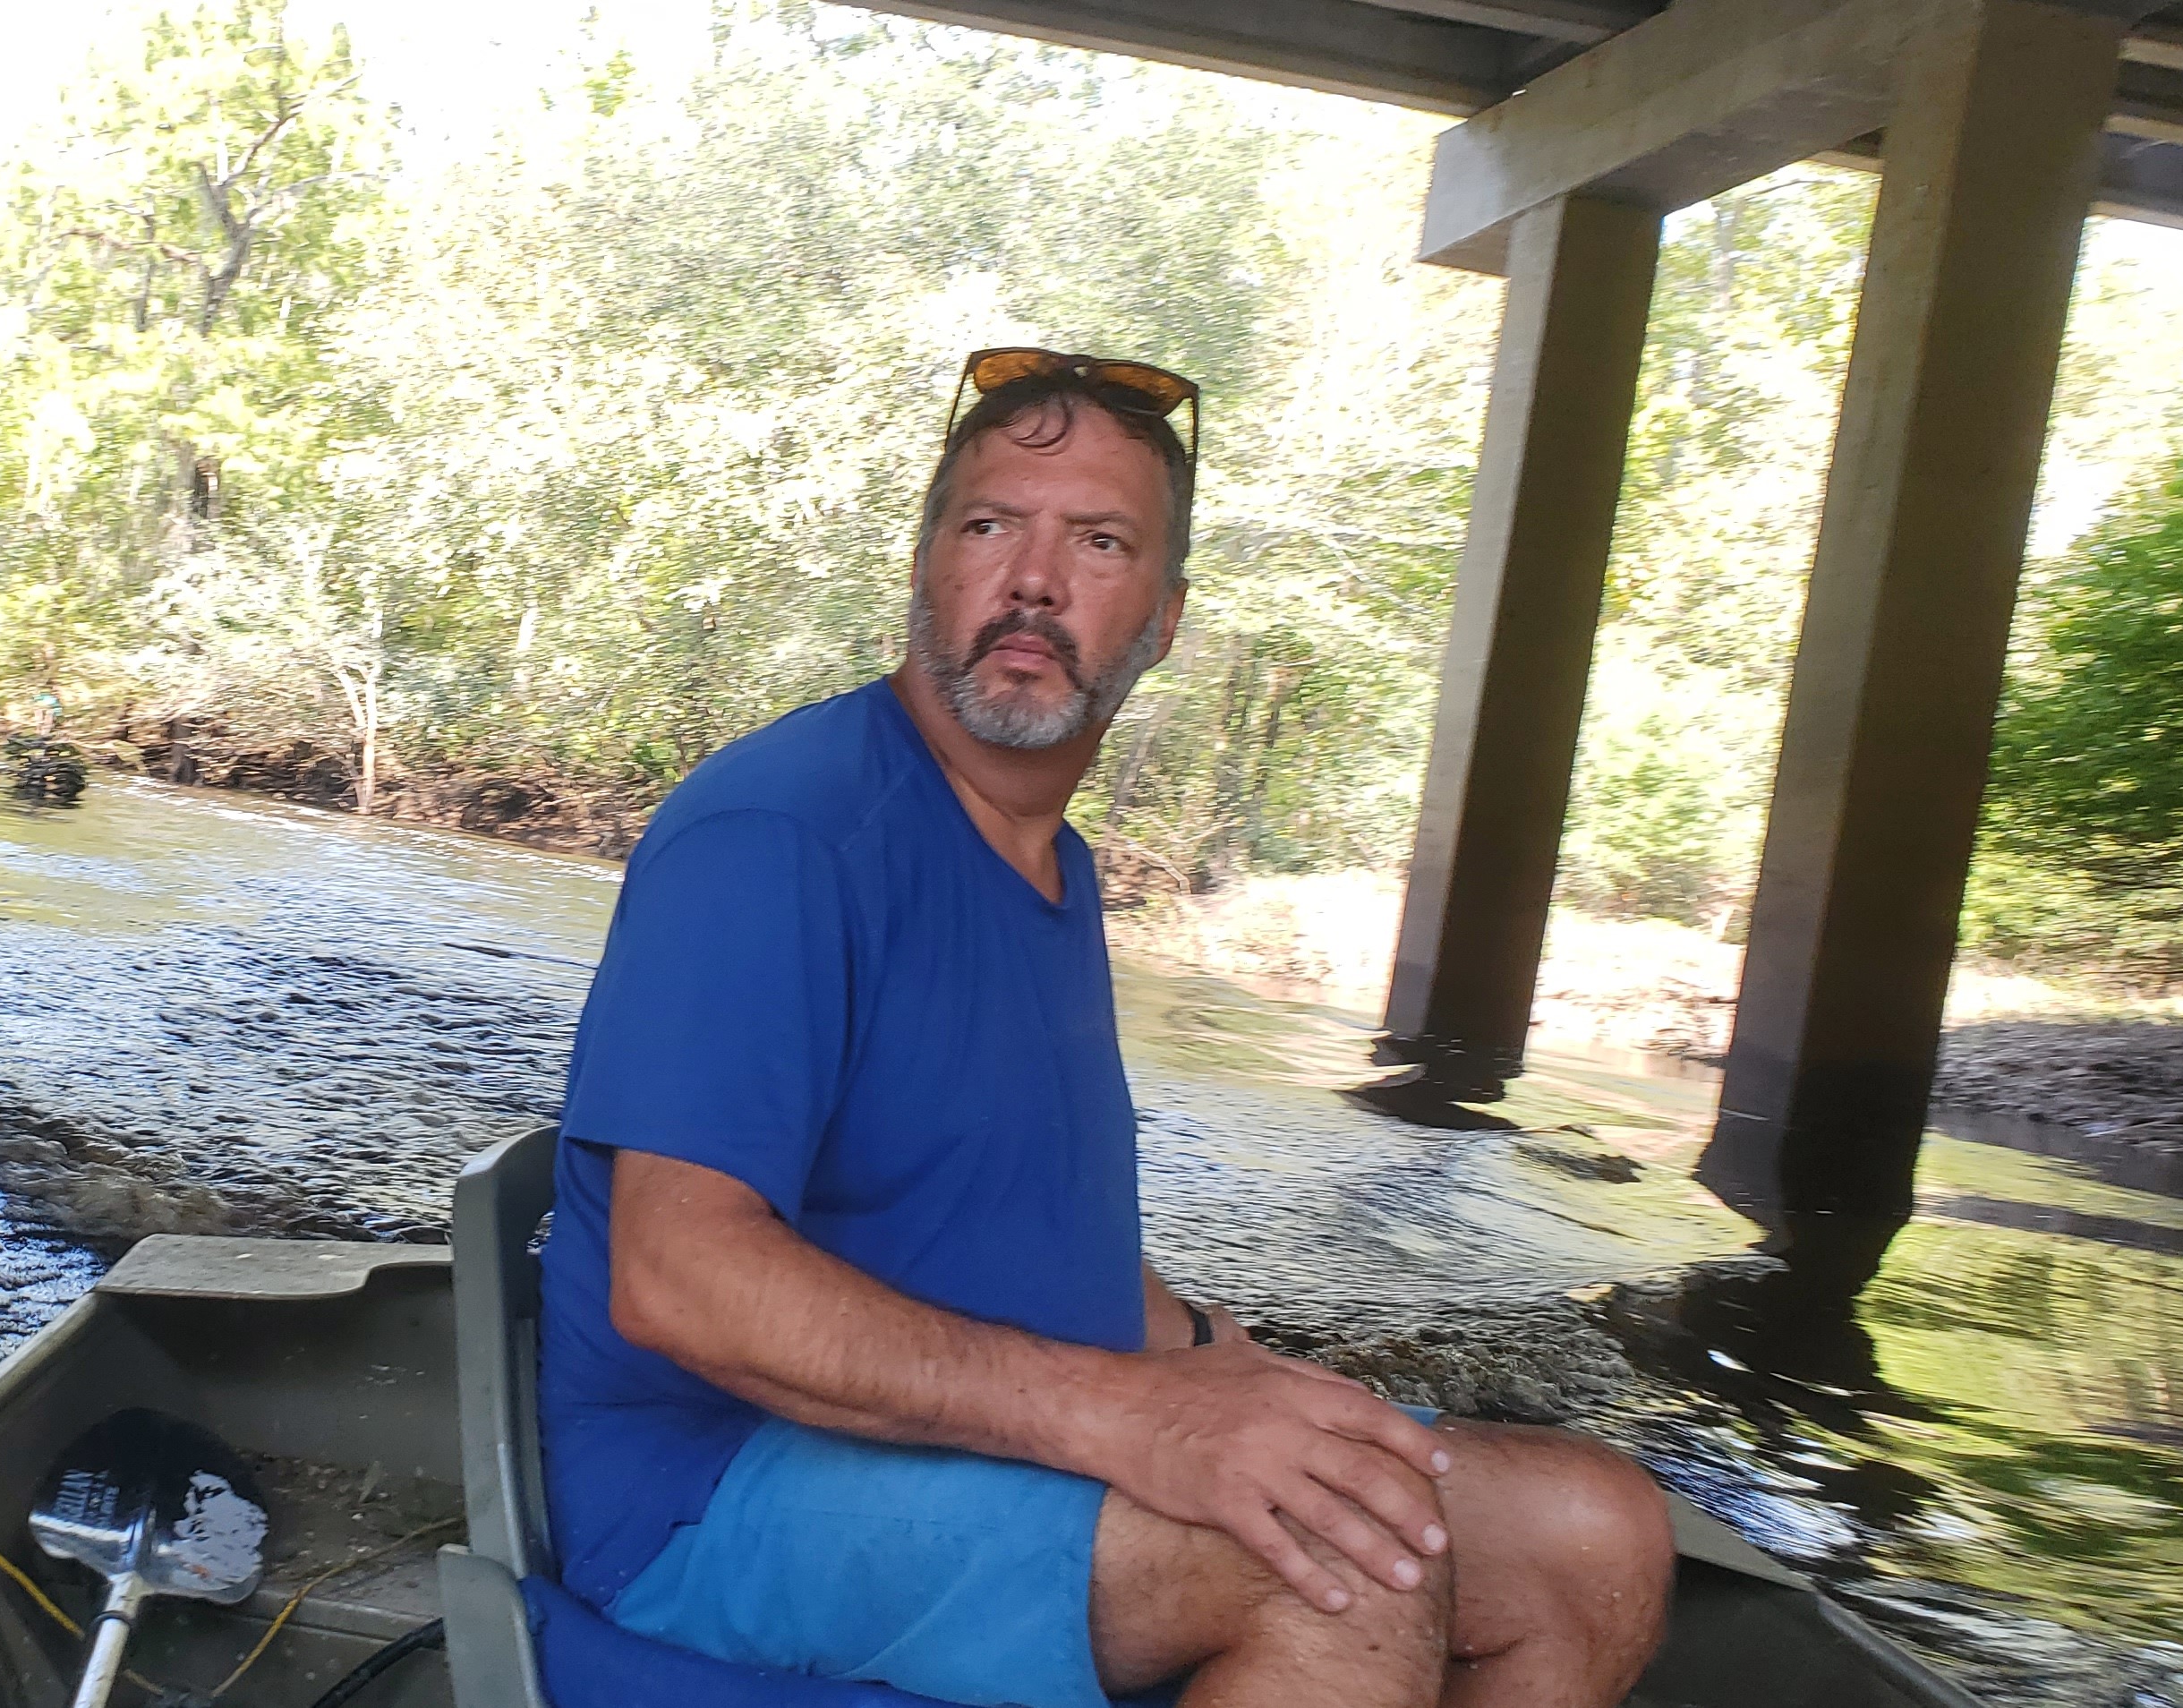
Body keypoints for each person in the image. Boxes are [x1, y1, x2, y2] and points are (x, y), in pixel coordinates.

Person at [534, 348, 1674, 1708]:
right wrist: (1135, 1417)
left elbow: (1003, 1227)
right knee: (1340, 1561)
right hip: (707, 1498)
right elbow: (683, 1282)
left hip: (975, 1444)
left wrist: (1214, 1365)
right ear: (926, 568)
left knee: (1592, 1533)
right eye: (990, 525)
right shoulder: (779, 836)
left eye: (1100, 540)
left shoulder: (1048, 867)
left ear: (1165, 616)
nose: (1033, 578)